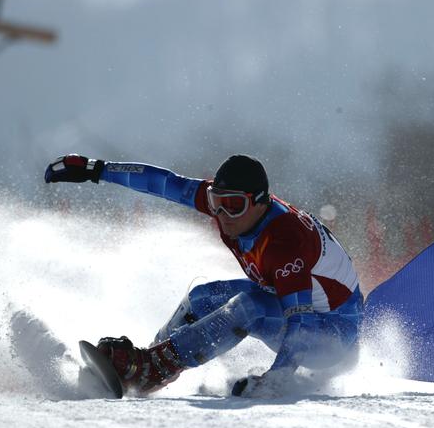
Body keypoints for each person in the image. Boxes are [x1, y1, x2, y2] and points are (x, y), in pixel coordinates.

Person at [44, 154, 363, 397]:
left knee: (247, 305)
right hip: (296, 310)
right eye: (216, 202)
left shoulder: (284, 243)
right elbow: (165, 183)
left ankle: (152, 368)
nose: (223, 215)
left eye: (233, 206)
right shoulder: (236, 209)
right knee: (202, 297)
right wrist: (96, 169)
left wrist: (276, 380)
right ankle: (147, 364)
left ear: (259, 202)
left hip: (331, 336)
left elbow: (301, 324)